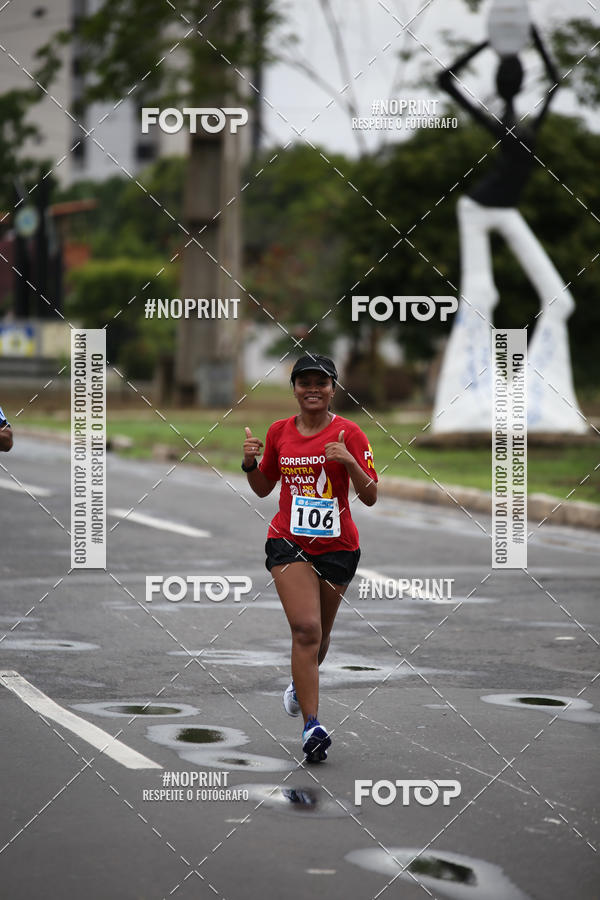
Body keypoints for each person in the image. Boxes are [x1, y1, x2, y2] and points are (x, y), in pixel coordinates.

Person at [242, 353, 378, 762]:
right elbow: (264, 487)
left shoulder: (350, 432)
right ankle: (312, 726)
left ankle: (300, 685)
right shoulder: (280, 431)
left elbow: (370, 495)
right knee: (305, 629)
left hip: (338, 547)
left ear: (333, 388)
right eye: (305, 383)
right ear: (295, 389)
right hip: (289, 542)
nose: (313, 389)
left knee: (319, 637)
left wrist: (350, 462)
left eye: (321, 382)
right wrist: (249, 461)